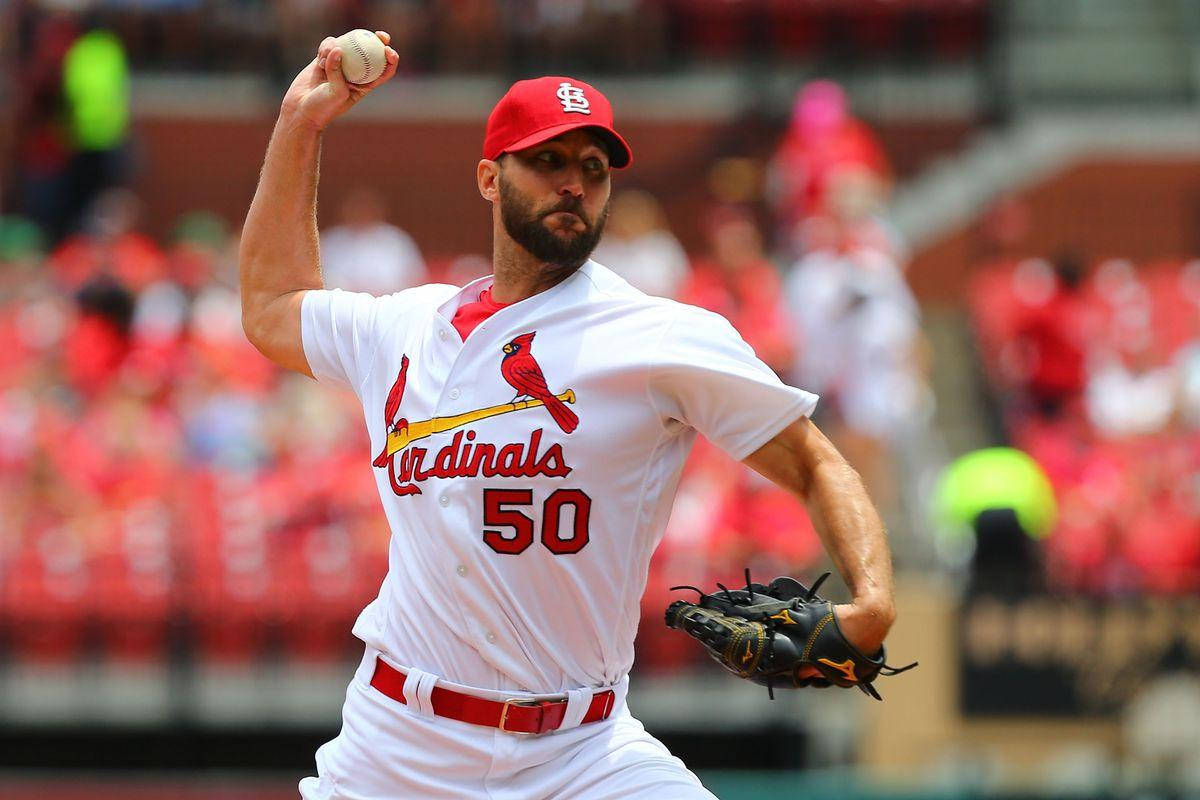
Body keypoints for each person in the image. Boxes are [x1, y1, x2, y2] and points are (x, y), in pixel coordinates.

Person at [239, 32, 899, 799]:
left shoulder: (656, 336)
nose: (574, 184)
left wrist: (875, 598)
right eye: (548, 161)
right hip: (396, 749)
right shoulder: (403, 329)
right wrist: (300, 123)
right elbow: (271, 306)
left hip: (580, 753)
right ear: (490, 177)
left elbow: (817, 460)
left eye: (593, 168)